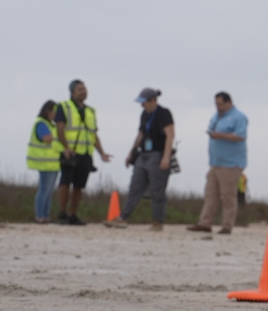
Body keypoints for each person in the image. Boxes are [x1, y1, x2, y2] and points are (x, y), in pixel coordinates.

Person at [103, 88, 175, 231]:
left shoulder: (164, 113)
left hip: (158, 153)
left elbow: (170, 135)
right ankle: (123, 217)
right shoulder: (144, 115)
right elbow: (140, 134)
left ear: (153, 100)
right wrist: (131, 153)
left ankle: (158, 221)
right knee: (135, 187)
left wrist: (166, 157)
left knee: (157, 189)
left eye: (144, 102)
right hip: (143, 154)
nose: (142, 106)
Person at [188, 92, 248, 235]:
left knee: (228, 195)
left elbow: (241, 136)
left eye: (220, 104)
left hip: (231, 163)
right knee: (210, 194)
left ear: (229, 102)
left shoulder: (239, 117)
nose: (218, 107)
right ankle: (205, 223)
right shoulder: (216, 117)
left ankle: (227, 226)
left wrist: (221, 135)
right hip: (215, 163)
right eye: (216, 104)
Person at [55, 79, 113, 225]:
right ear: (72, 92)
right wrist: (66, 147)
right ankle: (62, 213)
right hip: (71, 151)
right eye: (80, 89)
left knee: (79, 185)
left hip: (86, 152)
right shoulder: (64, 106)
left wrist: (102, 153)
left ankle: (73, 214)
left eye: (84, 89)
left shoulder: (90, 111)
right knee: (65, 182)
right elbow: (60, 128)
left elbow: (93, 134)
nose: (84, 91)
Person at [27, 100, 63, 223]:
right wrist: (59, 135)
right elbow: (46, 138)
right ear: (48, 111)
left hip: (53, 163)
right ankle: (40, 216)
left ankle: (46, 216)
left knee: (49, 191)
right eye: (55, 112)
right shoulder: (41, 123)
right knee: (44, 189)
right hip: (44, 162)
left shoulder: (51, 125)